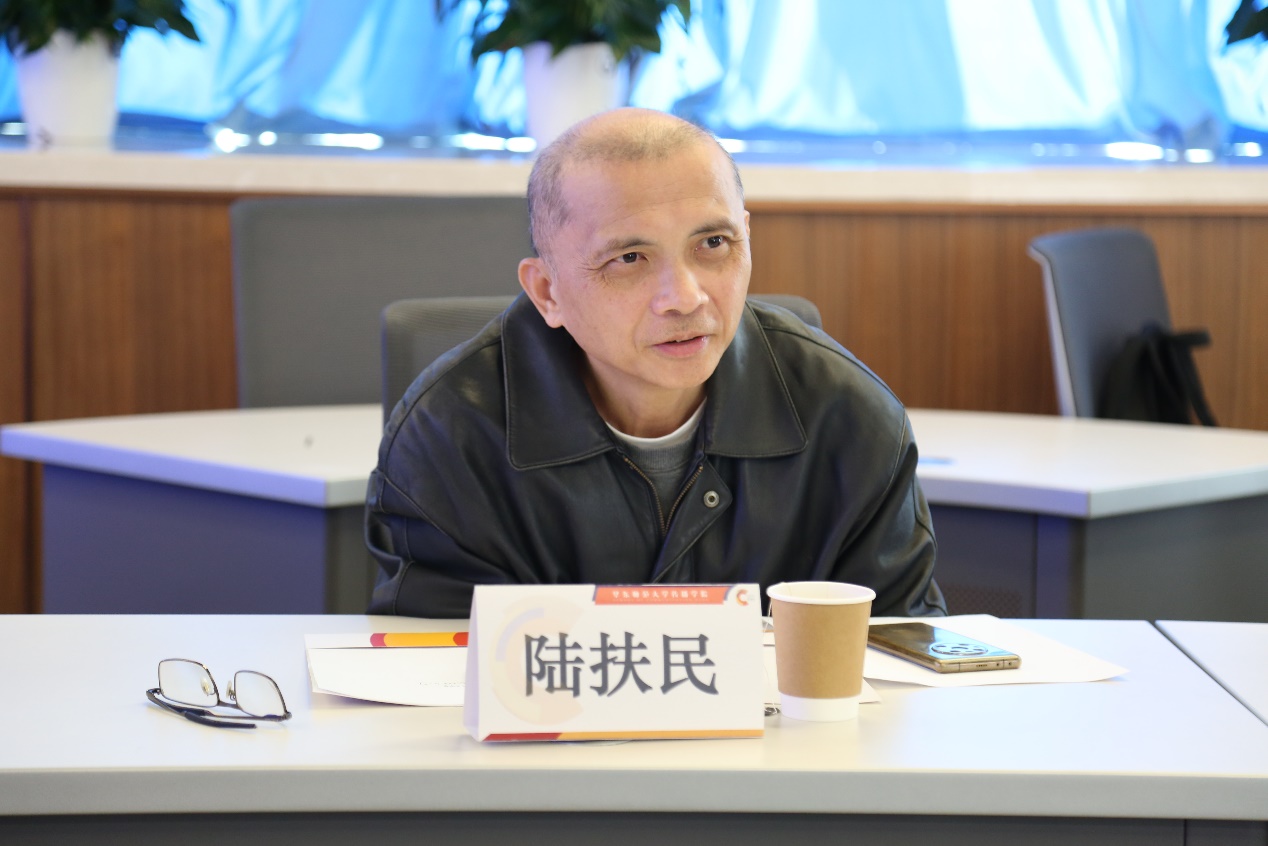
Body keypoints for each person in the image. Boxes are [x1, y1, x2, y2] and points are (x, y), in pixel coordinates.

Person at [365, 107, 945, 619]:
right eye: (630, 258)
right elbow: (438, 679)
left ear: (746, 240)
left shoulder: (851, 418)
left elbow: (899, 659)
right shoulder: (452, 435)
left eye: (713, 244)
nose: (685, 298)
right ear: (547, 292)